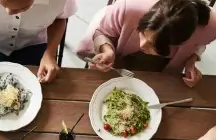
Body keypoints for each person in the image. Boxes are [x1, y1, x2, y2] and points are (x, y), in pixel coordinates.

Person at [76, 0, 216, 87]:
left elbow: (199, 46)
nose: (142, 45)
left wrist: (191, 62)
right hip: (120, 57)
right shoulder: (129, 7)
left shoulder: (210, 27)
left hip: (163, 72)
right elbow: (102, 32)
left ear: (180, 43)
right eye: (142, 33)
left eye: (153, 46)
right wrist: (107, 50)